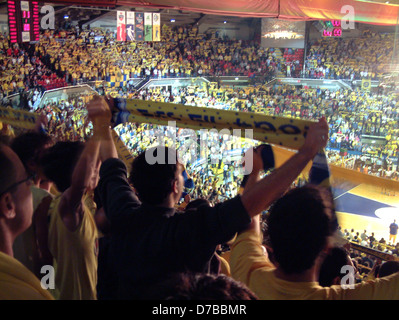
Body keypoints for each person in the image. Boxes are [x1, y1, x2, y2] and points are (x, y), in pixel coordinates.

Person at [92, 96, 329, 299]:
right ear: (175, 186)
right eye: (181, 172)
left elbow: (113, 167)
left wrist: (102, 124)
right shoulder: (192, 229)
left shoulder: (121, 210)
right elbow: (251, 203)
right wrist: (305, 153)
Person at [230, 181, 399, 299]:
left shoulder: (249, 274)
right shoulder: (345, 296)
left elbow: (249, 212)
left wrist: (255, 165)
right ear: (327, 246)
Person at [39, 96, 103, 300]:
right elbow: (80, 182)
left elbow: (45, 259)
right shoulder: (69, 208)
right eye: (92, 165)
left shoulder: (55, 203)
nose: (97, 167)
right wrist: (99, 127)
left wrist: (46, 291)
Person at [0, 142, 53, 299]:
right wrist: (48, 289)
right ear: (8, 205)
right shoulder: (47, 201)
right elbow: (45, 256)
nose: (30, 185)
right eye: (26, 180)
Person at [10, 130, 54, 277]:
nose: (55, 159)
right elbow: (45, 255)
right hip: (33, 280)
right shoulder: (44, 199)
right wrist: (48, 288)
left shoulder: (10, 193)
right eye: (49, 155)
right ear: (31, 163)